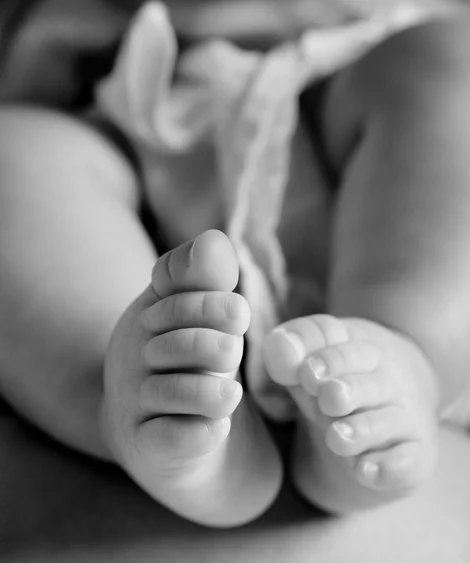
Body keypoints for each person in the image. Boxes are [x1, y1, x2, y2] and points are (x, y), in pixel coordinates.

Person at [0, 0, 469, 528]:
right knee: (14, 157)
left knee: (449, 66)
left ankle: (403, 357)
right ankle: (138, 401)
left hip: (344, 72)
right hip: (125, 108)